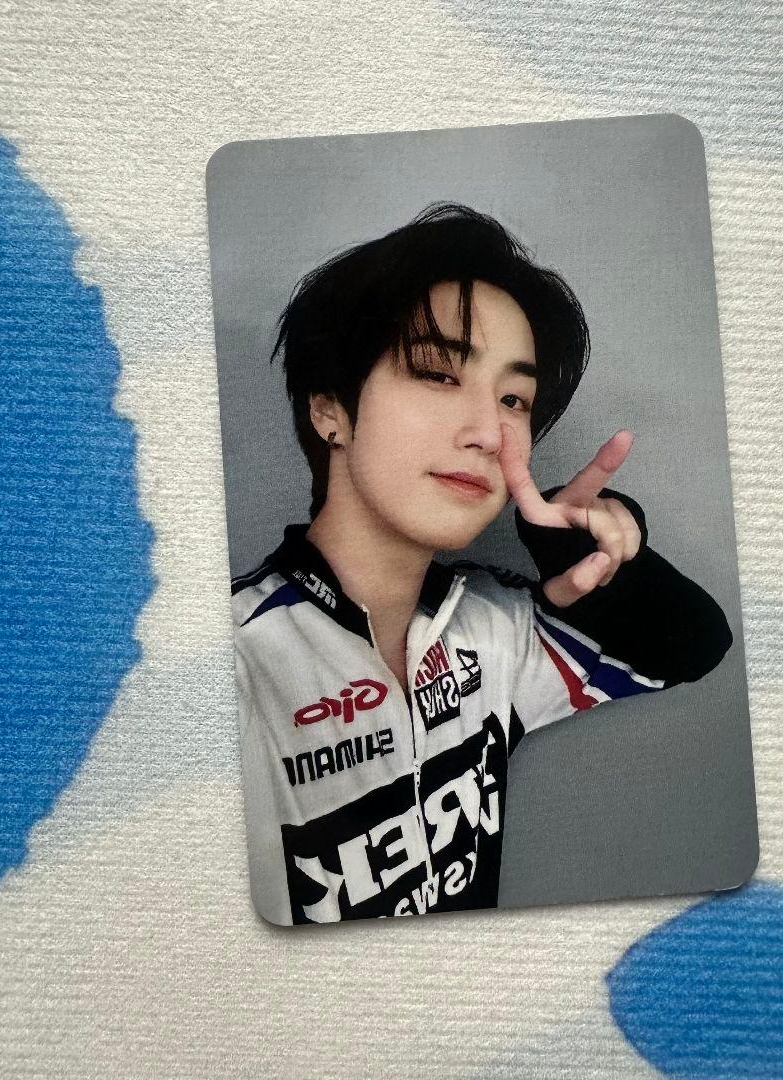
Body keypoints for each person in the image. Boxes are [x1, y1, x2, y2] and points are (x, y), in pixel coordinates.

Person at [231, 203, 733, 925]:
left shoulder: (491, 628)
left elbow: (692, 646)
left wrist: (581, 544)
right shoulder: (237, 663)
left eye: (513, 398)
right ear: (330, 408)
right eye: (438, 374)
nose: (488, 433)